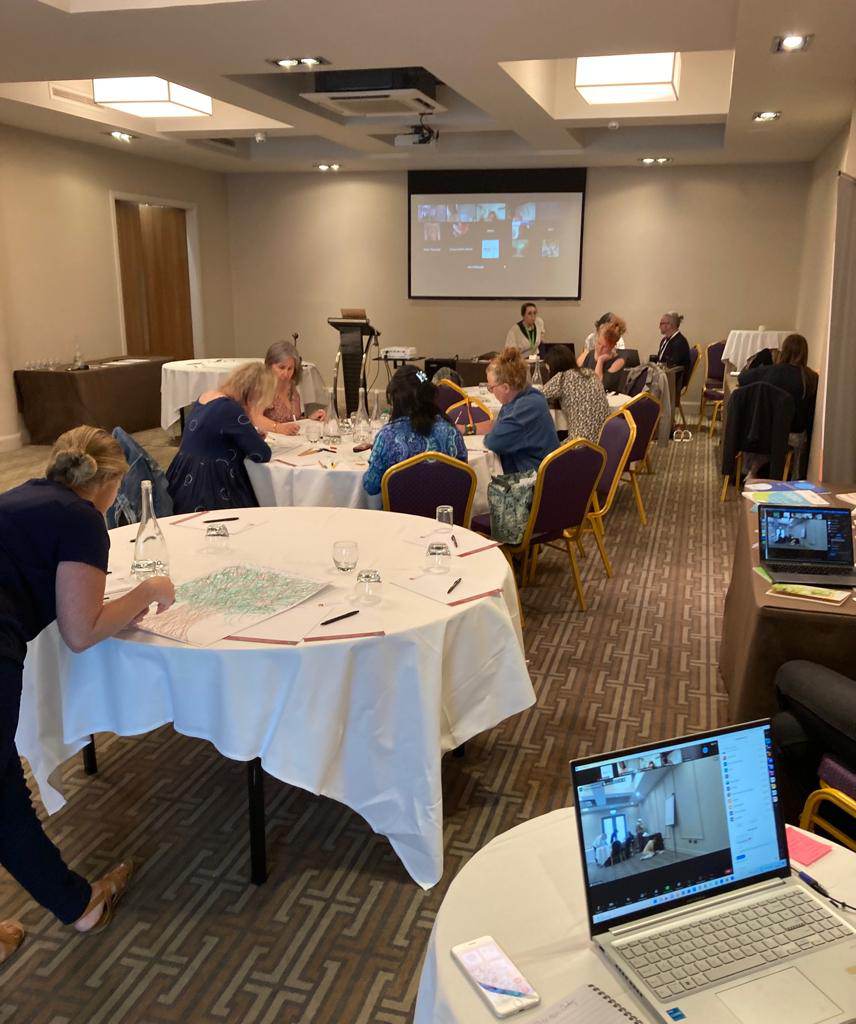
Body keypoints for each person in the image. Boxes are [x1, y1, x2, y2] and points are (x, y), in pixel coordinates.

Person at [0, 426, 175, 965]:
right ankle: (80, 904)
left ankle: (73, 902)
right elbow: (81, 631)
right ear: (111, 483)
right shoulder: (83, 519)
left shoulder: (24, 495)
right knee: (5, 800)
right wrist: (147, 592)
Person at [167, 361, 274, 514]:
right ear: (254, 392)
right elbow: (262, 454)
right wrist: (251, 419)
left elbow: (216, 437)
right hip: (209, 485)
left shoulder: (207, 396)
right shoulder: (229, 409)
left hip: (183, 475)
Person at [362, 365, 467, 496]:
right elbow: (463, 477)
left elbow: (371, 486)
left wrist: (377, 456)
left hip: (401, 515)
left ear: (395, 399)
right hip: (444, 513)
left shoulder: (387, 437)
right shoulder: (450, 431)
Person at [463, 349, 558, 474]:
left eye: (491, 387)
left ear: (505, 387)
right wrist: (468, 429)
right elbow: (500, 424)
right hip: (542, 471)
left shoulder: (525, 408)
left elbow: (494, 441)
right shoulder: (528, 396)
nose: (491, 391)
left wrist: (494, 432)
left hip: (534, 480)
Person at [737, 333, 817, 435]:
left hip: (766, 429)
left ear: (784, 351)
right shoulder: (812, 377)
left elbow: (742, 378)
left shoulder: (770, 371)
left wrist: (760, 357)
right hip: (795, 430)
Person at [253, 341, 326, 436]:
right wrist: (279, 428)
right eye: (281, 368)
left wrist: (310, 419)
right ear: (269, 365)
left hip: (291, 441)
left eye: (290, 368)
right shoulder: (262, 387)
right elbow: (255, 418)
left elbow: (293, 420)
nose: (286, 373)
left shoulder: (291, 386)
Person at [542, 344, 609, 443]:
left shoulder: (562, 378)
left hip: (580, 445)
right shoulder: (591, 373)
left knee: (544, 449)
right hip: (604, 442)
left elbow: (536, 397)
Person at [578, 316, 627, 392]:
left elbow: (598, 387)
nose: (599, 348)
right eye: (598, 343)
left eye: (605, 347)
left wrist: (600, 361)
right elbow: (580, 380)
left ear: (613, 346)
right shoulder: (590, 354)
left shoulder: (619, 361)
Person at [650, 311, 691, 391]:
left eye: (661, 323)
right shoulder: (665, 340)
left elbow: (672, 365)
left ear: (670, 325)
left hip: (673, 380)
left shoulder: (680, 342)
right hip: (663, 376)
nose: (659, 327)